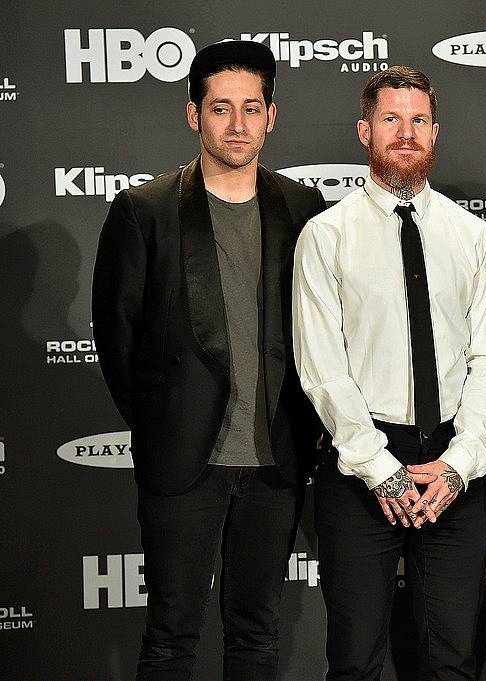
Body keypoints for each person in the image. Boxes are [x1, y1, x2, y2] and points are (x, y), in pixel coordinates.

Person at [92, 41, 326, 681]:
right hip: (184, 463)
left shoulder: (304, 210)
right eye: (221, 109)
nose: (237, 124)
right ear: (192, 114)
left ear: (271, 116)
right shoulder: (146, 210)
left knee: (257, 637)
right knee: (170, 639)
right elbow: (118, 339)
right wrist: (165, 421)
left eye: (252, 108)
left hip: (275, 461)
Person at [291, 66, 486, 681]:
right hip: (361, 467)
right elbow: (321, 368)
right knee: (355, 660)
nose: (405, 134)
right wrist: (381, 471)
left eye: (418, 121)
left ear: (435, 132)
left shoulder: (473, 237)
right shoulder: (326, 236)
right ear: (365, 131)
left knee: (454, 661)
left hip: (453, 469)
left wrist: (462, 462)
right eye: (391, 120)